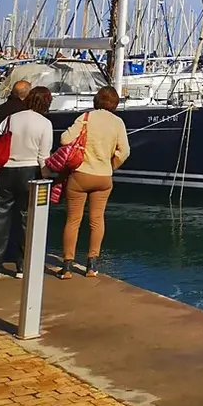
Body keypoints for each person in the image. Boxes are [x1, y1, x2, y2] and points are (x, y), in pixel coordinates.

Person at [0, 86, 53, 279]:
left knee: (1, 218)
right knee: (25, 219)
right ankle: (21, 266)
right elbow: (43, 157)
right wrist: (47, 177)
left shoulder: (11, 119)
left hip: (6, 171)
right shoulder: (45, 123)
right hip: (30, 172)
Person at [59, 86, 130, 278]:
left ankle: (67, 266)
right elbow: (124, 151)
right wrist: (111, 166)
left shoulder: (86, 118)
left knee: (73, 220)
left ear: (96, 100)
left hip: (81, 174)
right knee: (97, 220)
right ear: (115, 104)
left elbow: (65, 139)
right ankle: (91, 265)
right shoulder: (118, 122)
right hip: (103, 176)